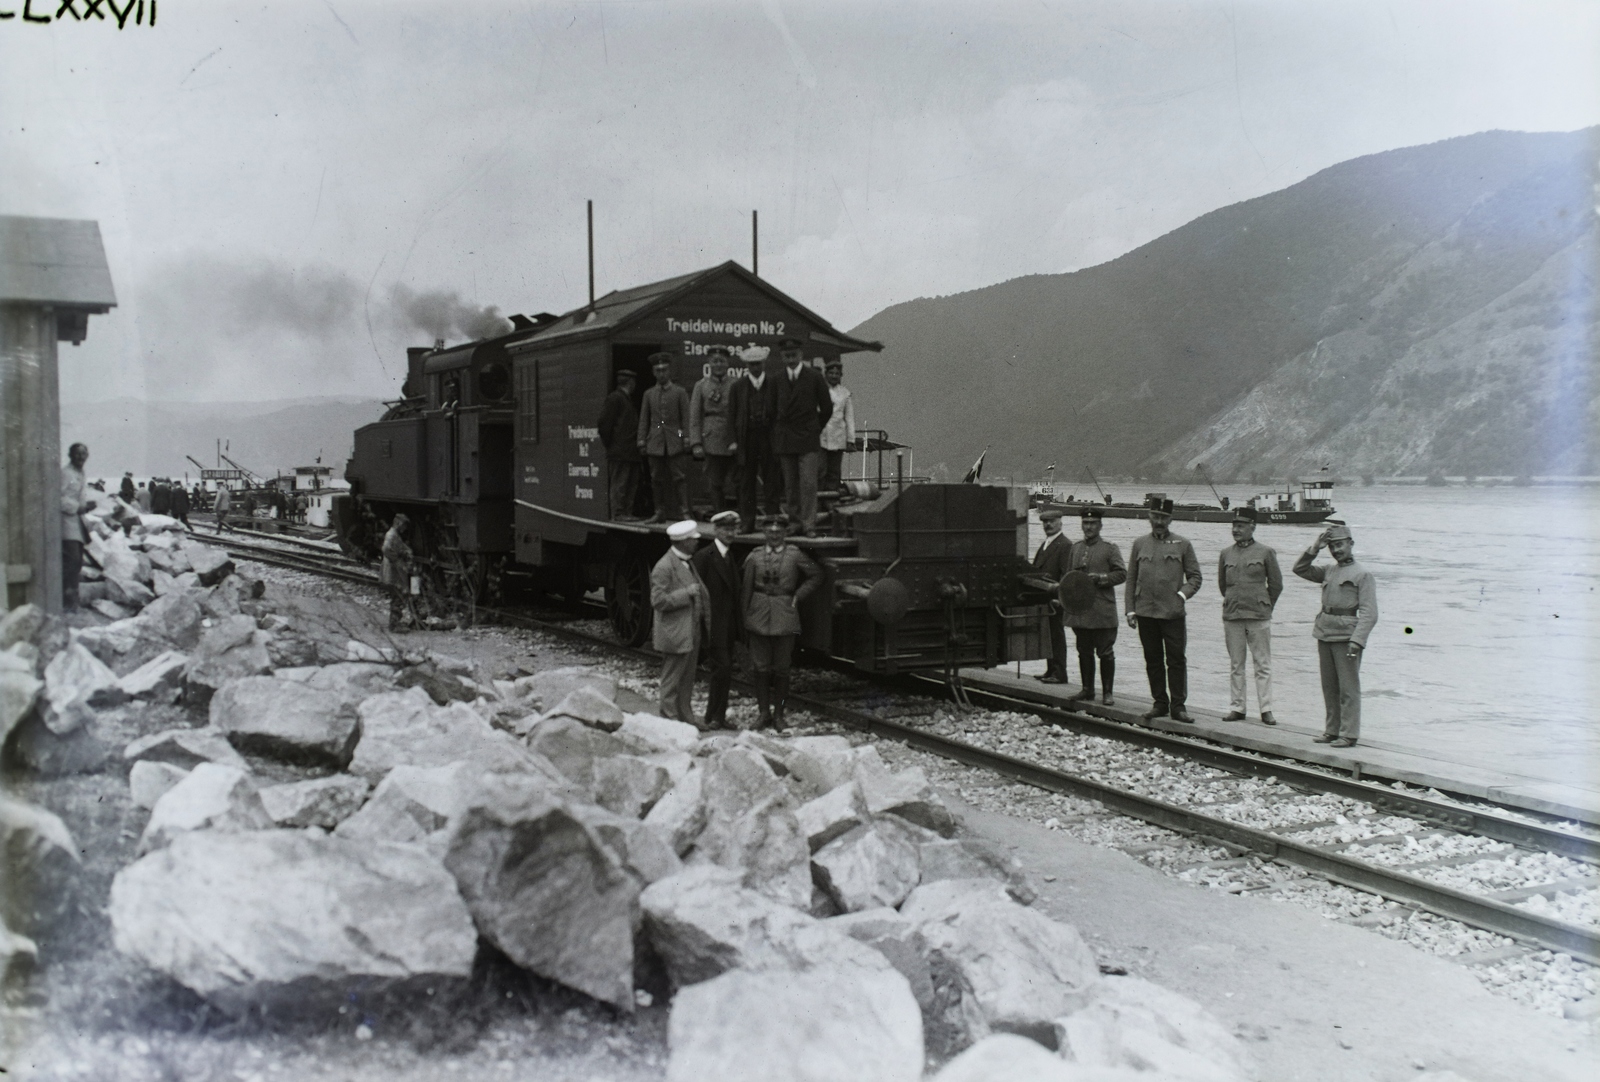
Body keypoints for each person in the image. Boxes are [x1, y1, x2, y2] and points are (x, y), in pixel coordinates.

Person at [1293, 523, 1378, 748]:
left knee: (1348, 687)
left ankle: (1349, 734)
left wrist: (1357, 640)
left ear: (1351, 544)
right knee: (1329, 686)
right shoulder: (1329, 571)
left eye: (1340, 545)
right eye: (1332, 546)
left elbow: (1370, 613)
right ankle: (1332, 730)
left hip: (1346, 637)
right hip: (1325, 632)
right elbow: (1300, 569)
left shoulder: (1363, 575)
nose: (1336, 550)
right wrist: (1315, 548)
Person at [1124, 496, 1202, 723]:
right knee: (1153, 659)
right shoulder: (1139, 544)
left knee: (1176, 659)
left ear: (1171, 519)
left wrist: (1182, 595)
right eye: (1155, 516)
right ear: (1149, 516)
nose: (1159, 521)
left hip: (1172, 613)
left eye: (1163, 518)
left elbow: (1195, 577)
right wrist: (1130, 610)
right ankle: (1159, 703)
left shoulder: (1183, 544)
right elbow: (1131, 579)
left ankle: (1178, 707)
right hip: (1145, 612)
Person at [740, 513, 821, 728]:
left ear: (785, 533)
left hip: (784, 614)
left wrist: (798, 595)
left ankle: (779, 715)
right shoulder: (754, 556)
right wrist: (745, 616)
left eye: (779, 531)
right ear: (764, 532)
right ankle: (763, 713)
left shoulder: (794, 554)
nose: (774, 535)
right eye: (770, 531)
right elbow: (746, 589)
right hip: (758, 614)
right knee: (760, 668)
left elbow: (816, 575)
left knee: (783, 669)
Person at [1218, 506, 1283, 725]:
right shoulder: (1226, 554)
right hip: (1233, 615)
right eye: (1234, 525)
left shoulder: (1266, 552)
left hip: (1259, 616)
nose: (1235, 529)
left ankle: (1266, 709)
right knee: (1236, 664)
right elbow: (1222, 586)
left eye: (1241, 525)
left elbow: (1276, 585)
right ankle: (1238, 708)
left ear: (1252, 527)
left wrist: (1265, 606)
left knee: (1262, 664)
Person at [1063, 507, 1126, 705]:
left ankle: (1108, 692)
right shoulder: (1076, 548)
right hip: (1081, 611)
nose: (1088, 527)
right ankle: (1087, 690)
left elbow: (1122, 574)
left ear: (1100, 525)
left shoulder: (1110, 548)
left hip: (1102, 611)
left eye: (1092, 524)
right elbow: (1068, 577)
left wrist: (1101, 578)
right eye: (1085, 523)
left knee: (1105, 652)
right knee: (1083, 650)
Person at [771, 339, 833, 535]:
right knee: (790, 484)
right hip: (786, 438)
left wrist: (815, 428)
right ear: (782, 357)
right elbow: (771, 410)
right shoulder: (776, 379)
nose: (790, 359)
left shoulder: (814, 377)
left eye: (794, 355)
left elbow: (827, 408)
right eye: (786, 356)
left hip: (807, 438)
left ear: (801, 355)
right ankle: (795, 522)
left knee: (808, 483)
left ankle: (809, 524)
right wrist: (779, 431)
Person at [651, 520, 707, 724]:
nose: (696, 543)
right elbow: (658, 601)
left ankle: (685, 716)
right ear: (683, 542)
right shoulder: (664, 566)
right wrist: (686, 593)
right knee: (672, 679)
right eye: (693, 540)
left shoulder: (686, 561)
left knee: (687, 678)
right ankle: (669, 719)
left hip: (688, 630)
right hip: (676, 632)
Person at [692, 509, 744, 729]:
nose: (729, 533)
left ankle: (718, 716)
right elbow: (697, 592)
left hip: (727, 626)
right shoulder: (705, 556)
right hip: (713, 626)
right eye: (725, 529)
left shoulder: (729, 556)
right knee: (721, 669)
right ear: (716, 530)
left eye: (733, 529)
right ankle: (712, 717)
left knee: (724, 670)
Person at [729, 346, 782, 532]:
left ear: (764, 363)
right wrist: (734, 441)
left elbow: (778, 413)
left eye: (758, 364)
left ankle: (772, 522)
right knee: (746, 482)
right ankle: (747, 523)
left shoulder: (774, 384)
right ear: (747, 365)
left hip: (768, 437)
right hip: (747, 438)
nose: (755, 367)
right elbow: (732, 416)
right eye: (752, 364)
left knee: (772, 481)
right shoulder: (738, 387)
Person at [637, 353, 692, 522]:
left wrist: (685, 437)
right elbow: (644, 419)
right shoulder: (649, 394)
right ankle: (659, 511)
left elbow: (686, 418)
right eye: (658, 370)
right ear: (654, 373)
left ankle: (684, 511)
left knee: (679, 478)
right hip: (655, 441)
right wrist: (641, 440)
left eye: (664, 370)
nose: (661, 373)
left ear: (669, 371)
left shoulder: (679, 392)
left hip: (675, 441)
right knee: (656, 479)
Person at [690, 347, 737, 514]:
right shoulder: (701, 386)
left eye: (722, 361)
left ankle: (736, 516)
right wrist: (696, 443)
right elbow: (695, 416)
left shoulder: (736, 384)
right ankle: (719, 515)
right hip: (711, 439)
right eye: (715, 361)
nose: (718, 364)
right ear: (709, 363)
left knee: (737, 480)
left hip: (733, 438)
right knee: (714, 482)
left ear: (727, 363)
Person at [1030, 507, 1073, 683]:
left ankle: (1060, 673)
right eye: (1045, 522)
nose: (1048, 525)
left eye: (1051, 522)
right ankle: (1050, 670)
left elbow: (1066, 574)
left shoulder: (1065, 545)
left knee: (1056, 635)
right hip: (1044, 599)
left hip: (1055, 599)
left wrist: (1060, 598)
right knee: (1048, 635)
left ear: (1060, 523)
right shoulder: (1046, 544)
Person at [598, 370, 642, 520]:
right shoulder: (615, 399)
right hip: (620, 450)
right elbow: (604, 425)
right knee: (621, 483)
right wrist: (611, 445)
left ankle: (626, 513)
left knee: (629, 483)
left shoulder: (625, 399)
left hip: (629, 450)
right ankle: (619, 513)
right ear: (630, 383)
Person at [60, 443, 96, 610]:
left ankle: (71, 599)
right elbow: (56, 497)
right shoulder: (65, 474)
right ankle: (67, 600)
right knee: (73, 559)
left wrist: (87, 505)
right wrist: (77, 507)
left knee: (77, 562)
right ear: (71, 455)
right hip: (65, 521)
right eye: (78, 454)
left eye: (84, 453)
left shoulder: (81, 473)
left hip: (76, 521)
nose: (81, 457)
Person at [819, 359, 856, 492]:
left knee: (834, 472)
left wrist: (850, 439)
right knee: (820, 470)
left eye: (837, 373)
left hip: (838, 436)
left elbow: (849, 418)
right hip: (821, 436)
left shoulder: (845, 393)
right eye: (831, 373)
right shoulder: (819, 390)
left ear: (841, 375)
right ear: (826, 374)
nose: (834, 376)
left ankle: (831, 500)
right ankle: (818, 502)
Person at [381, 513, 415, 632]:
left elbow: (400, 547)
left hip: (394, 570)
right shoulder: (392, 535)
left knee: (398, 595)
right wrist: (397, 560)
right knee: (398, 595)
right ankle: (394, 625)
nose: (404, 528)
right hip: (393, 570)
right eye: (404, 525)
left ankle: (395, 622)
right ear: (399, 523)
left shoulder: (395, 535)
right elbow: (386, 549)